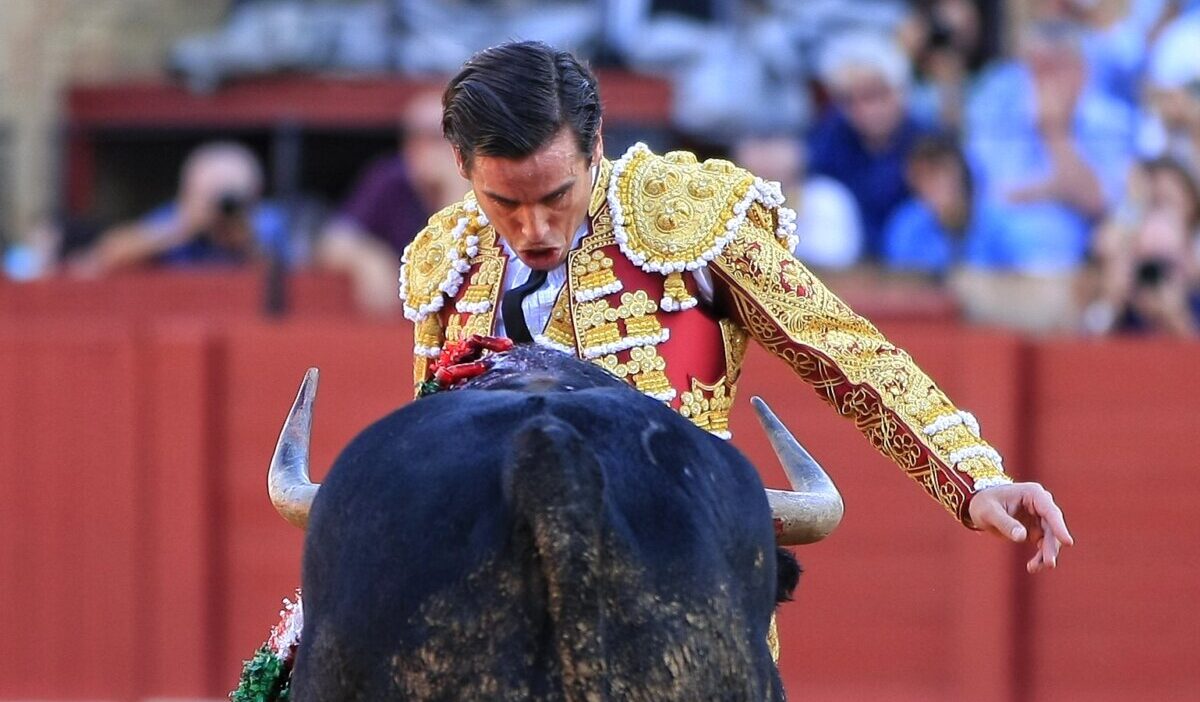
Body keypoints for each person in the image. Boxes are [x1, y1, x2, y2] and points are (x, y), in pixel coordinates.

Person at [401, 41, 1072, 573]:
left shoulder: (684, 218)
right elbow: (436, 446)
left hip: (676, 576)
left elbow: (840, 345)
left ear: (596, 141)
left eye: (556, 196)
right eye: (506, 204)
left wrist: (973, 477)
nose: (536, 229)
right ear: (462, 165)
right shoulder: (450, 260)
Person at [315, 89, 466, 315]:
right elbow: (332, 241)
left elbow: (455, 265)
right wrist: (367, 257)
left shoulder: (482, 184)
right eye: (414, 135)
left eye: (437, 136)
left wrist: (455, 189)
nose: (423, 147)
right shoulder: (390, 178)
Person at [69, 141, 292, 275]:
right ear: (187, 194)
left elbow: (294, 278)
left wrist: (246, 243)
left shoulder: (267, 221)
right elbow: (108, 253)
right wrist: (181, 229)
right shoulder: (177, 220)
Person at [807, 30, 932, 260]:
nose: (866, 110)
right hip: (848, 258)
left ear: (900, 93)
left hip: (913, 262)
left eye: (875, 96)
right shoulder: (832, 135)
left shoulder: (926, 139)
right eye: (850, 99)